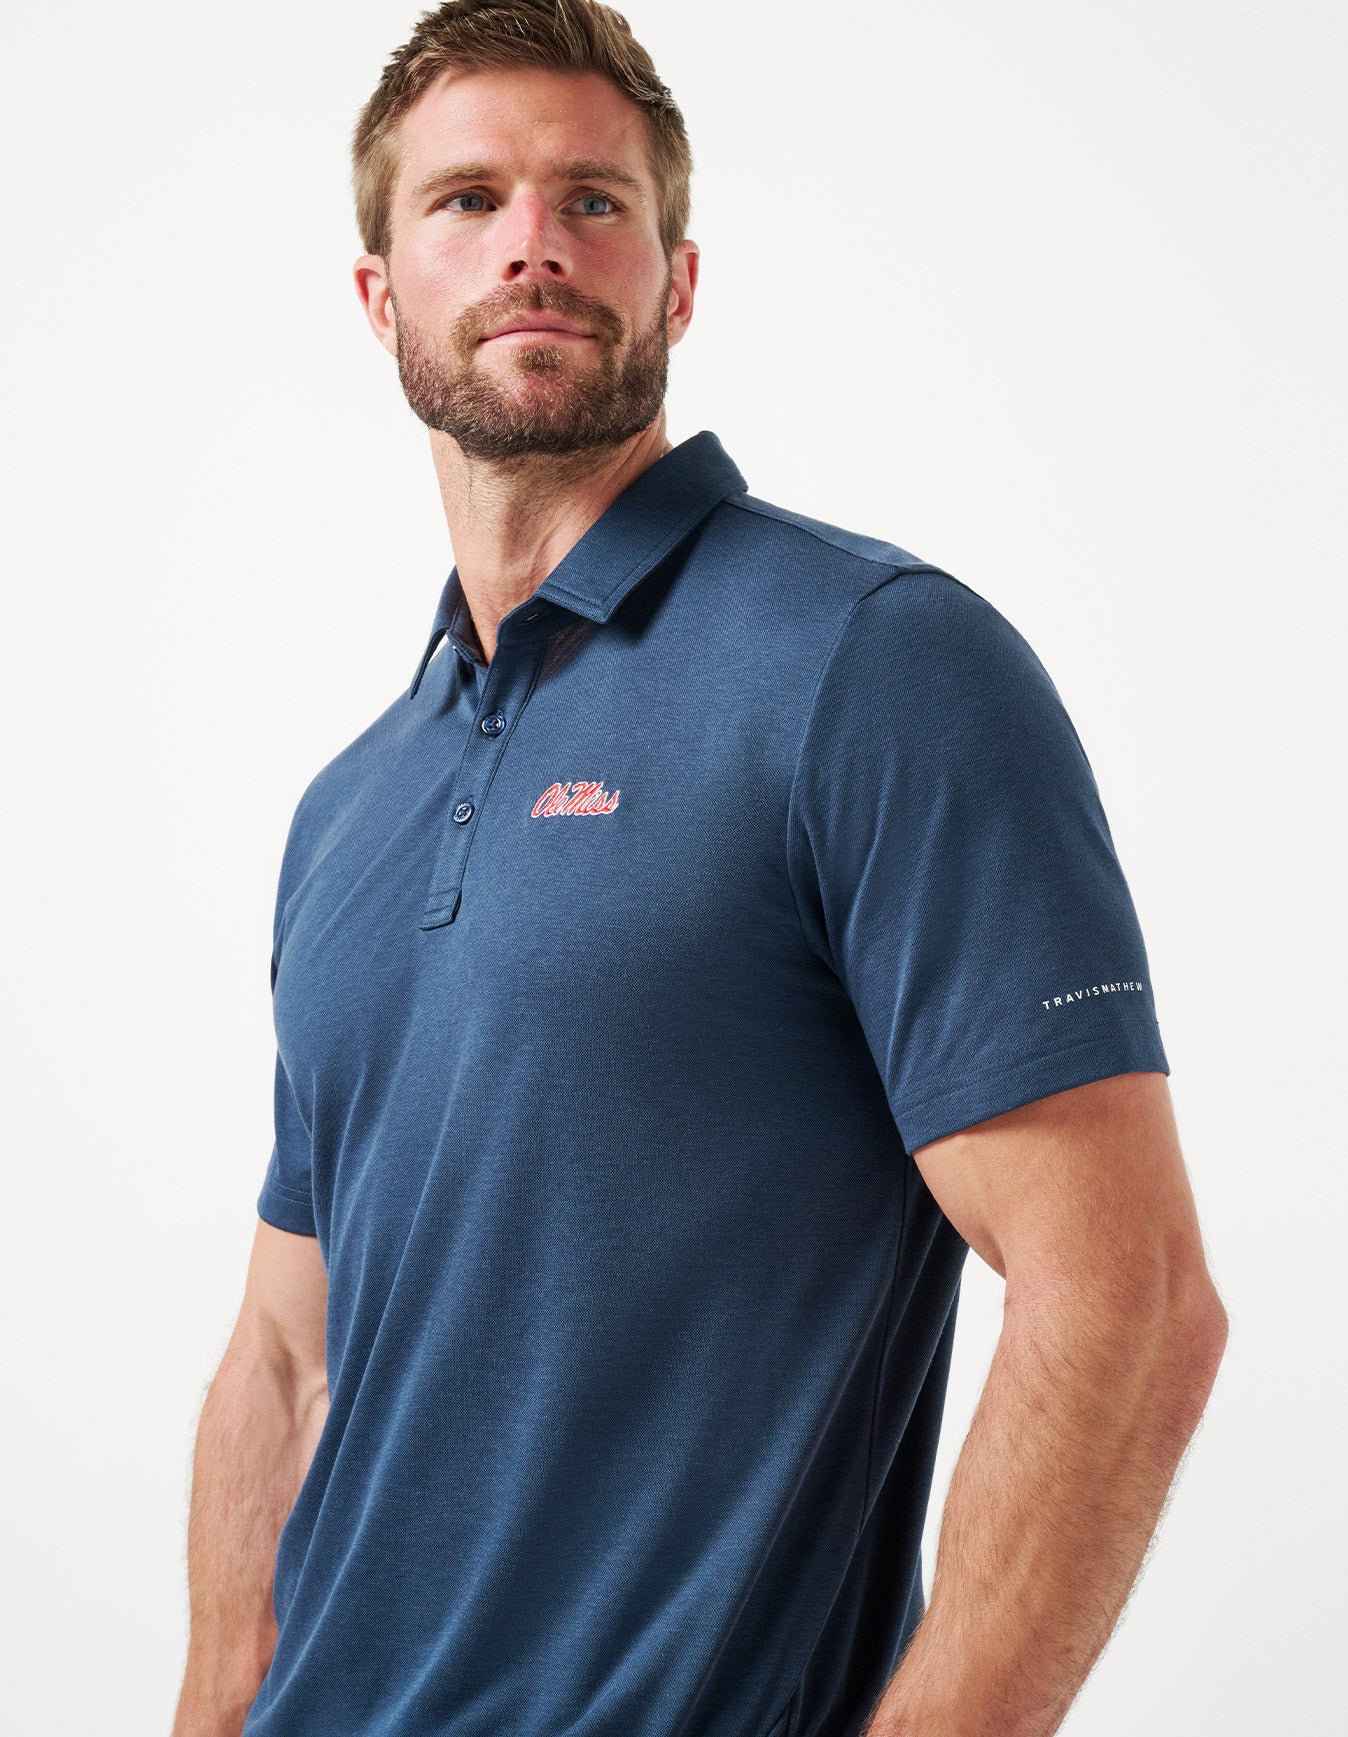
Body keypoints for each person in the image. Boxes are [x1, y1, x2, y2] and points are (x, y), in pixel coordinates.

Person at [171, 4, 1229, 1736]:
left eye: (592, 200)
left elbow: (1129, 1299)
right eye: (467, 200)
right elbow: (286, 1359)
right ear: (379, 295)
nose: (532, 242)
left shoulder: (874, 664)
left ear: (675, 280)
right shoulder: (347, 807)